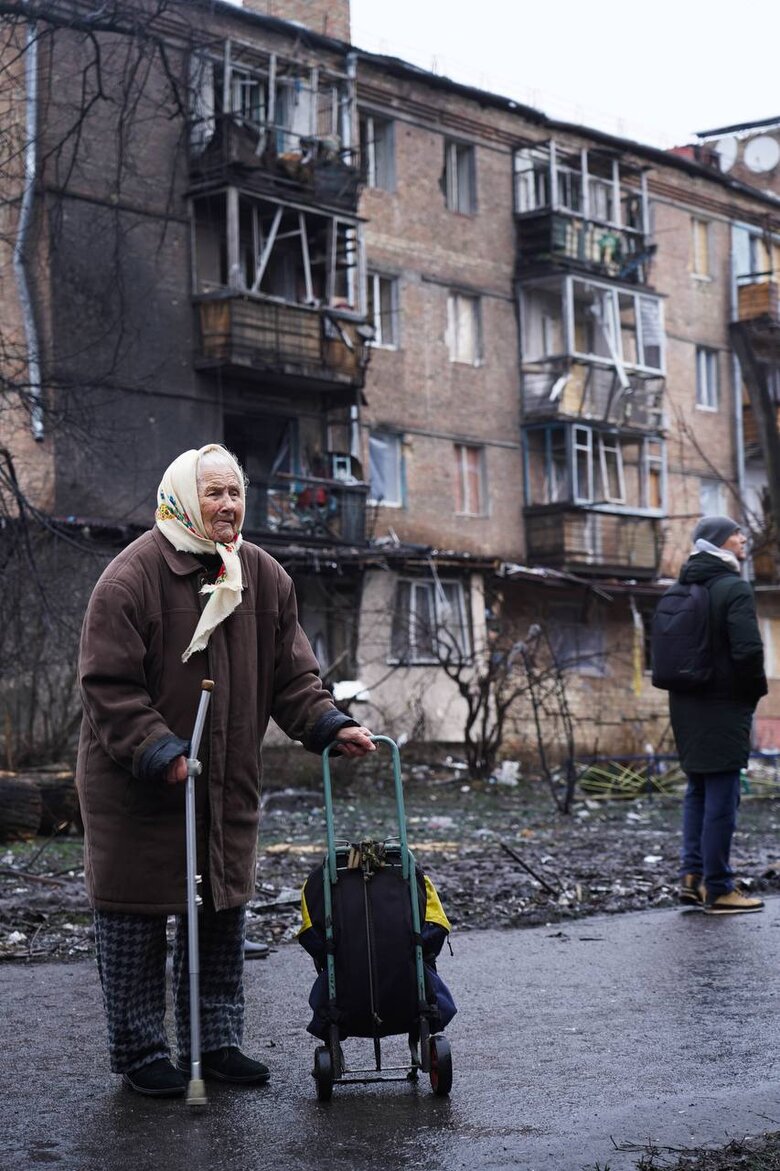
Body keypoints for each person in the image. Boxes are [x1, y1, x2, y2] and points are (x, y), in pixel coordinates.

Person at [75, 444, 375, 1097]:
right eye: (214, 492)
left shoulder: (262, 576)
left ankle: (215, 1041)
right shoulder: (132, 577)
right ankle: (141, 1050)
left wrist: (329, 723)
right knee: (135, 918)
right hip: (139, 785)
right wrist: (158, 749)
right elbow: (108, 687)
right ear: (184, 497)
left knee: (218, 910)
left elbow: (293, 677)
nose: (229, 505)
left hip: (224, 780)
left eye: (236, 492)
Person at [670, 515, 767, 915]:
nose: (743, 538)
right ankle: (720, 888)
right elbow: (748, 651)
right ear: (719, 542)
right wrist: (751, 695)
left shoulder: (679, 587)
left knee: (697, 790)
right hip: (723, 705)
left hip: (685, 705)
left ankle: (692, 878)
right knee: (723, 797)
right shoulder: (733, 588)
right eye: (735, 533)